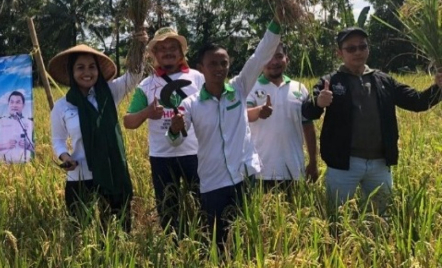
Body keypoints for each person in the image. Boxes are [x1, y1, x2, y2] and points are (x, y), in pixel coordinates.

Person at [302, 27, 442, 214]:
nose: (358, 52)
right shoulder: (331, 81)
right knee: (336, 218)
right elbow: (308, 111)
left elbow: (417, 102)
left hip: (379, 164)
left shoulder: (384, 81)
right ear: (339, 52)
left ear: (368, 49)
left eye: (362, 46)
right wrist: (319, 102)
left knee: (380, 219)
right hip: (343, 164)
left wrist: (438, 88)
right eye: (351, 48)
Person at [167, 20, 282, 248]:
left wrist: (277, 23)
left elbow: (259, 57)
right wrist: (175, 129)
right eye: (213, 64)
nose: (219, 68)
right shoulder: (191, 104)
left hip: (245, 175)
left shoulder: (238, 89)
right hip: (213, 182)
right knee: (219, 240)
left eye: (224, 62)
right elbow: (177, 142)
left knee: (249, 237)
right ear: (201, 67)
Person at [49, 39, 145, 233]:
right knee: (82, 232)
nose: (87, 72)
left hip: (112, 172)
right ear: (71, 72)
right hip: (80, 176)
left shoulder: (109, 92)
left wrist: (139, 42)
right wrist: (65, 156)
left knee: (116, 232)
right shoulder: (62, 106)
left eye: (92, 67)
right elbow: (57, 139)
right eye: (80, 67)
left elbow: (135, 75)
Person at [123, 27, 204, 236]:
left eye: (173, 48)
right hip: (161, 157)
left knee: (201, 202)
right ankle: (175, 245)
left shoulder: (198, 78)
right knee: (168, 207)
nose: (168, 52)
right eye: (162, 48)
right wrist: (147, 113)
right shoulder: (147, 85)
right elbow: (128, 121)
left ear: (181, 52)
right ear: (155, 55)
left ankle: (203, 243)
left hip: (195, 153)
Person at [246, 43, 318, 191]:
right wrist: (259, 111)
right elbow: (244, 116)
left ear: (287, 59)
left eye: (279, 56)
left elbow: (308, 127)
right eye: (268, 57)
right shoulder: (251, 87)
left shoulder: (300, 88)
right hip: (260, 172)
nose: (274, 62)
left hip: (294, 170)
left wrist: (313, 162)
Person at [0, 91, 34, 163]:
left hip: (25, 167)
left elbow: (39, 147)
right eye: (12, 102)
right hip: (3, 167)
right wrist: (5, 145)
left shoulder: (30, 123)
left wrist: (29, 146)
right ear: (8, 104)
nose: (14, 105)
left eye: (18, 102)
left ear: (23, 105)